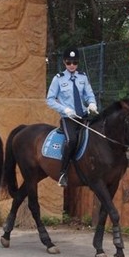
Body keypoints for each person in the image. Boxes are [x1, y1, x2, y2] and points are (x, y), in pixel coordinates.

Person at [46, 48, 98, 187]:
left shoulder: (82, 77)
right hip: (69, 118)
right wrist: (64, 109)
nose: (72, 65)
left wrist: (92, 103)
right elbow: (50, 99)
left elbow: (89, 94)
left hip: (83, 116)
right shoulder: (58, 79)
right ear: (64, 62)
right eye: (69, 62)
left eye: (75, 62)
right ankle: (63, 173)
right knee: (71, 140)